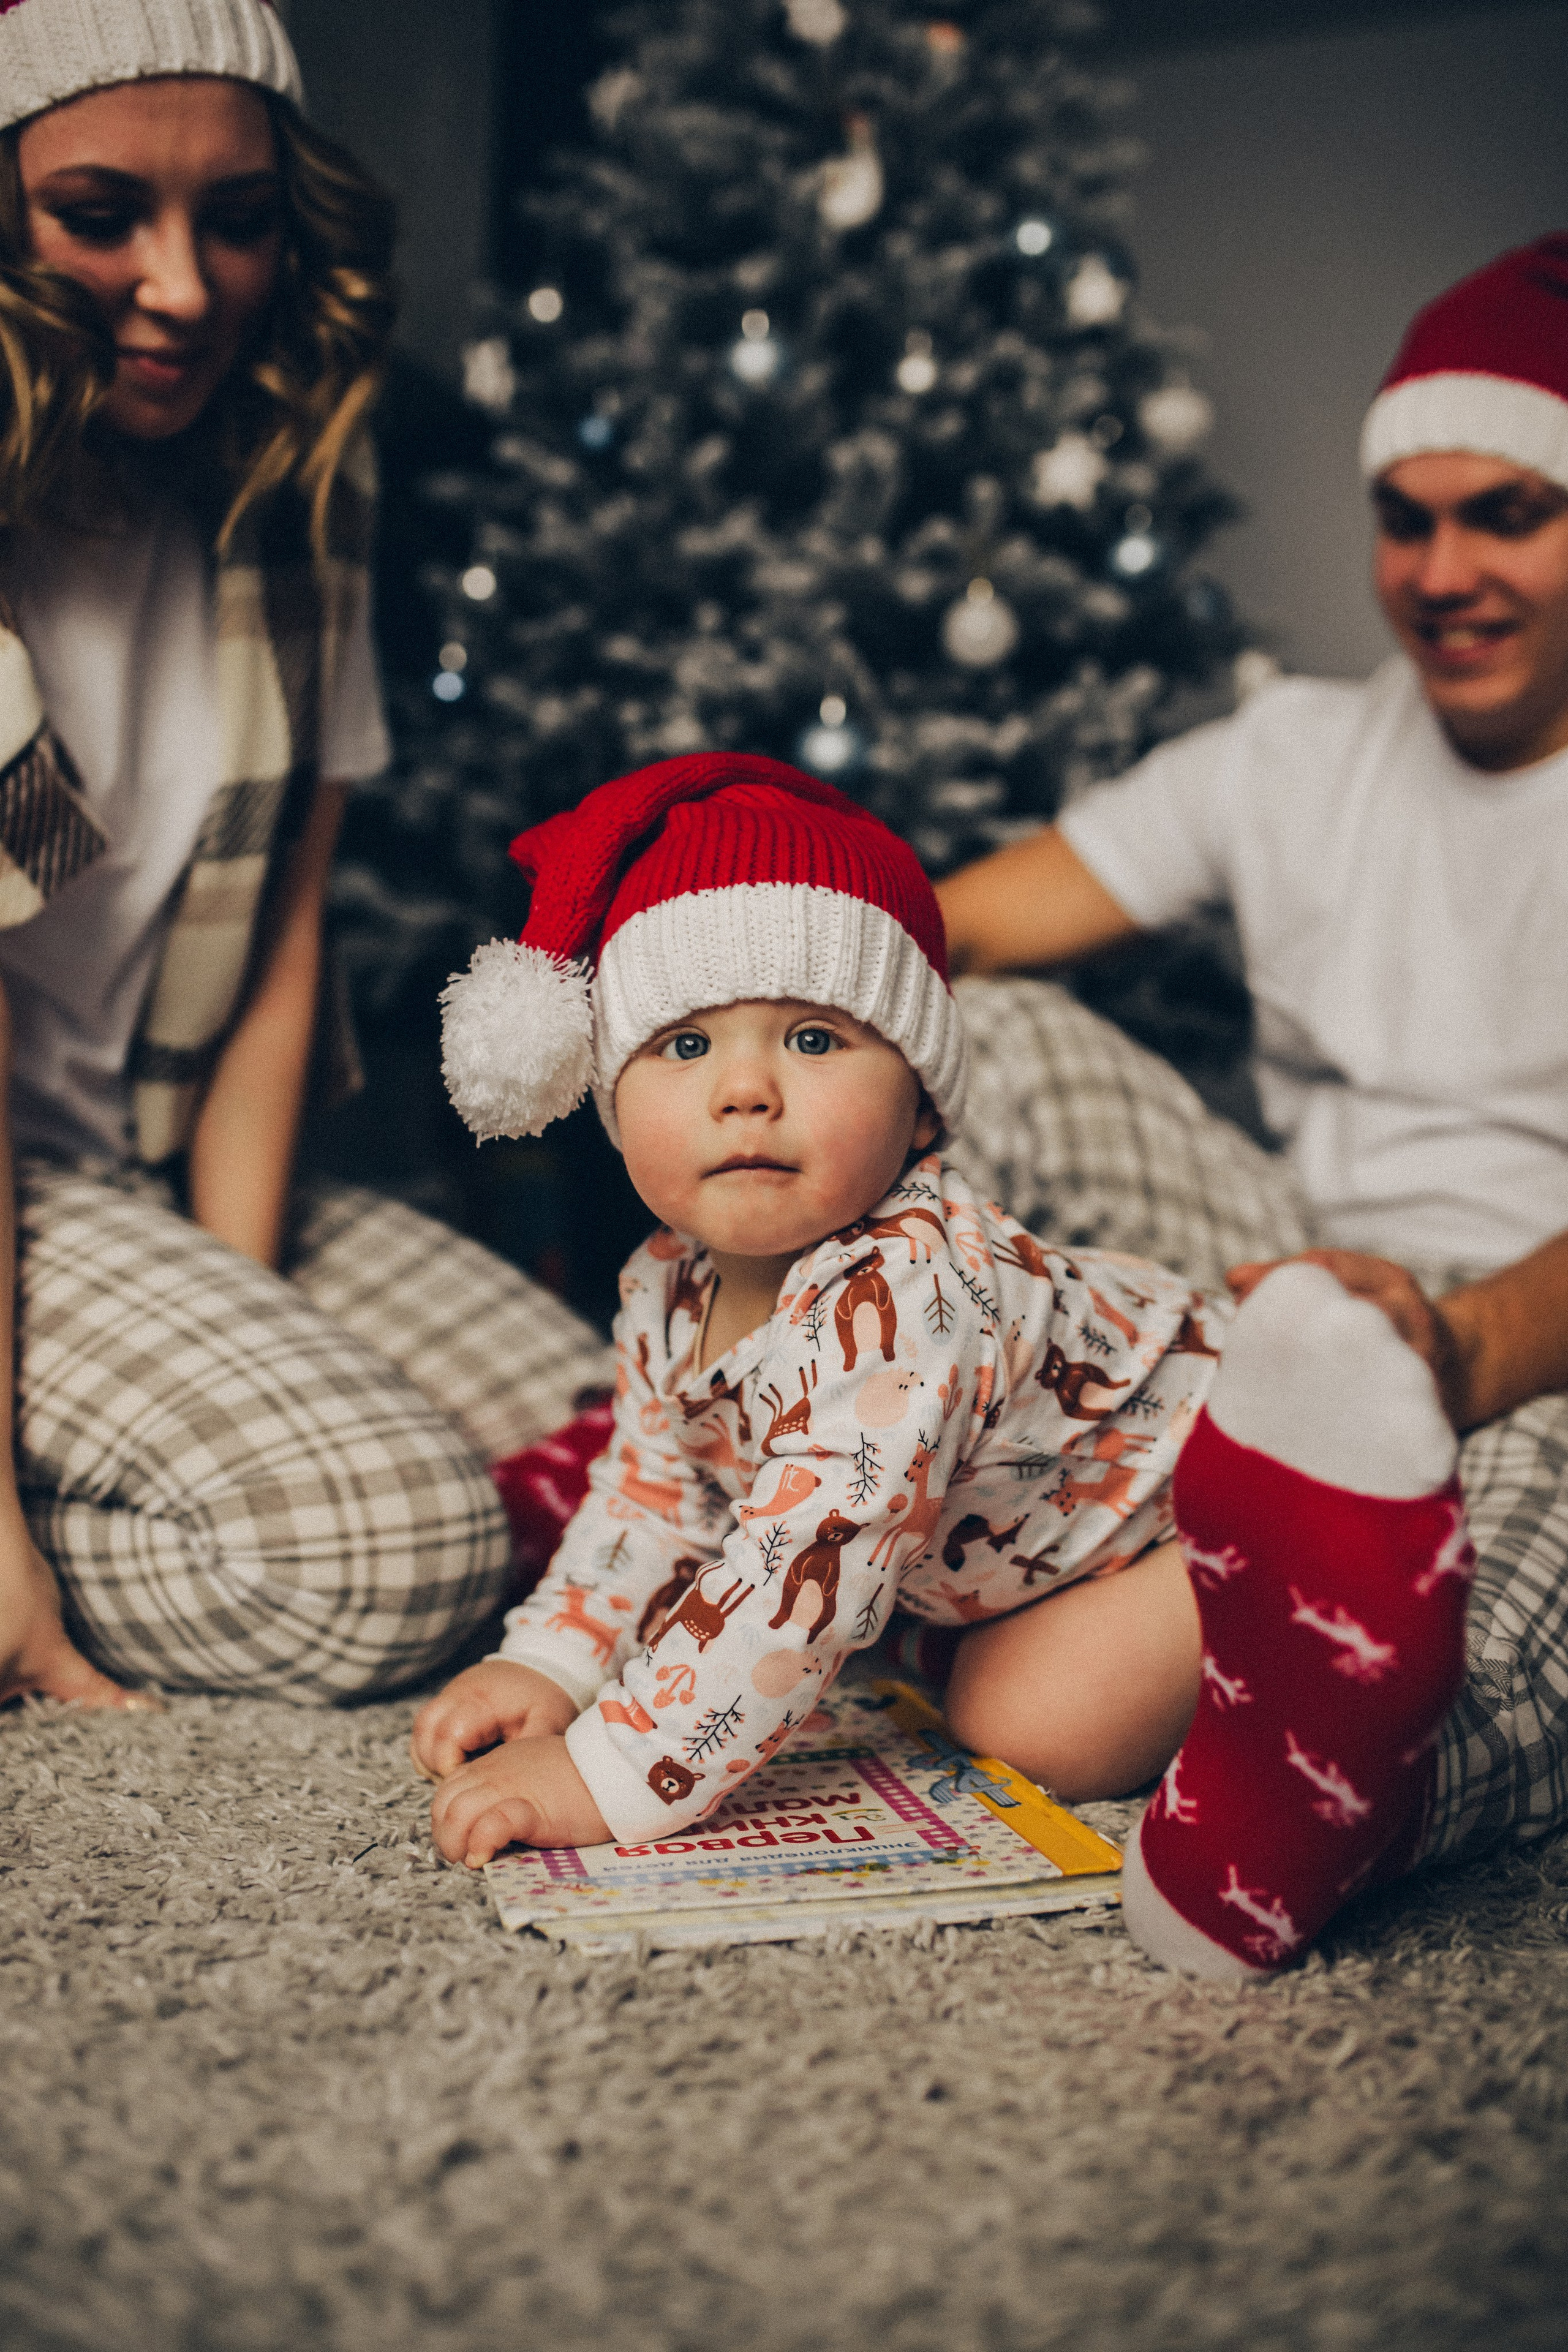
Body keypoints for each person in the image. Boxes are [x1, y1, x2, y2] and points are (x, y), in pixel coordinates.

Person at [407, 755, 1473, 1912]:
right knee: (994, 1699)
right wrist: (552, 1659)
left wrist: (611, 1770)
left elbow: (804, 1565)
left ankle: (1326, 1524)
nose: (746, 1090)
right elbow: (653, 1494)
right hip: (1040, 1545)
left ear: (921, 1107)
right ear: (612, 1101)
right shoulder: (665, 1283)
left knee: (1042, 1725)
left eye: (815, 1040)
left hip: (1203, 1466)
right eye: (686, 1045)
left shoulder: (905, 1292)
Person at [931, 236, 1568, 1969]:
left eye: (1507, 516)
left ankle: (1332, 1779)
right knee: (977, 1028)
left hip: (1529, 1343)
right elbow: (961, 923)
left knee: (1056, 1708)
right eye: (1405, 520)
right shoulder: (1297, 754)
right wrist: (739, 952)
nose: (1442, 572)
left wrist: (1444, 1361)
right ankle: (802, 1442)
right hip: (1292, 1265)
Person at [0, 0, 604, 1714]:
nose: (182, 287)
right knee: (393, 1553)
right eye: (99, 215)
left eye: (240, 219)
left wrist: (237, 1300)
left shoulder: (291, 505)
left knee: (620, 1442)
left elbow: (280, 953)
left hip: (132, 1165)